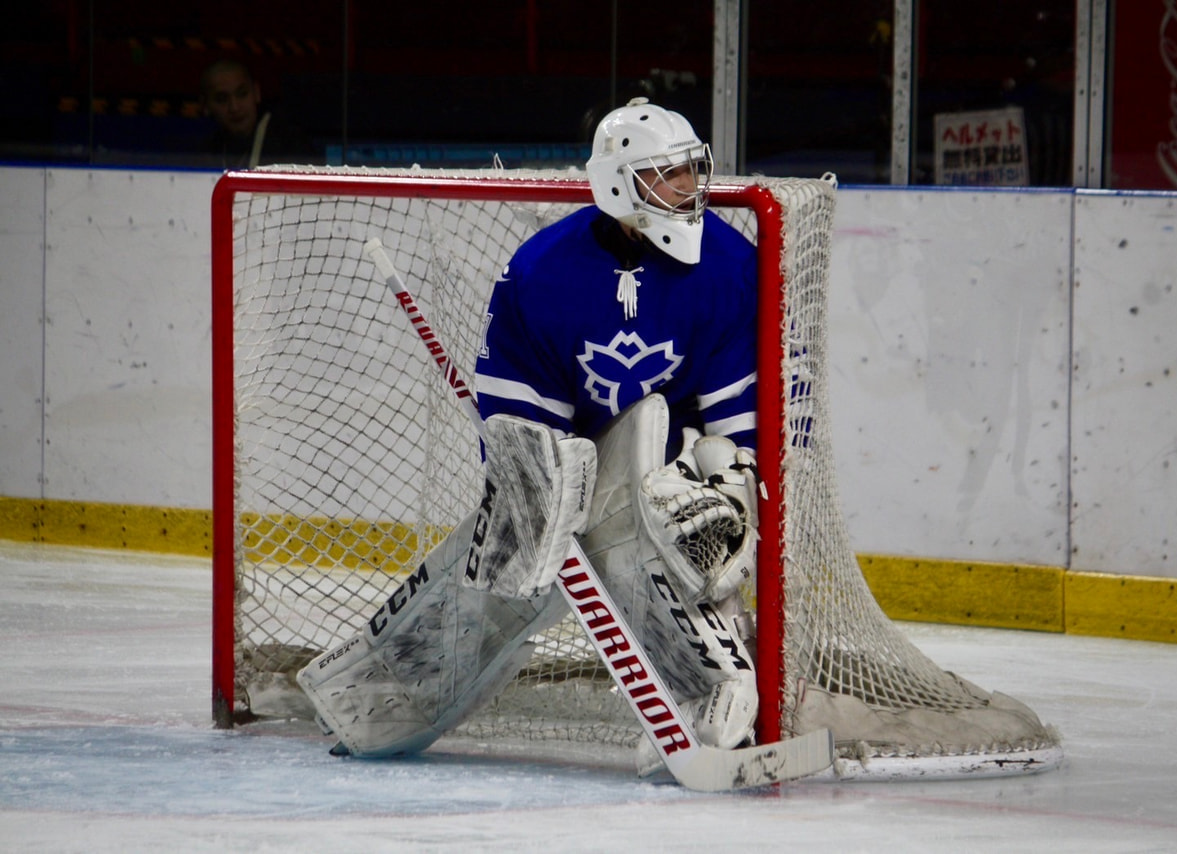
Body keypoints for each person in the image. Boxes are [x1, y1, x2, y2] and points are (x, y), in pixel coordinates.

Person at [296, 99, 763, 776]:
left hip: (666, 463)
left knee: (684, 528)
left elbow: (737, 424)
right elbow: (519, 429)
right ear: (616, 185)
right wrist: (540, 499)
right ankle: (380, 689)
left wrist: (732, 494)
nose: (690, 189)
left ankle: (707, 700)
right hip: (567, 458)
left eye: (693, 171)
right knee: (512, 553)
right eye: (667, 176)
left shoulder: (728, 264)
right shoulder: (544, 272)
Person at [199, 59, 319, 168]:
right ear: (206, 105)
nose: (234, 107)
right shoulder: (203, 151)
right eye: (222, 99)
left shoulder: (290, 143)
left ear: (256, 92)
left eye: (242, 94)